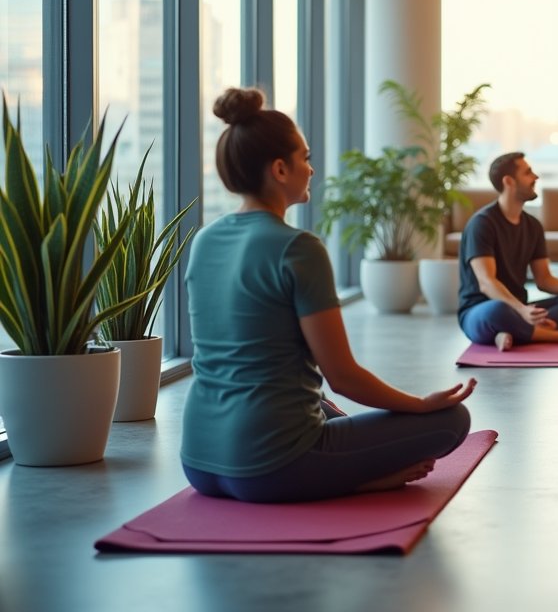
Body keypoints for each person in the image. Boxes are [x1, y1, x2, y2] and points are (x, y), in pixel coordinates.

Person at [181, 87, 475, 504]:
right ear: (280, 169)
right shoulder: (298, 248)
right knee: (451, 420)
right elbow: (343, 376)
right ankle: (360, 481)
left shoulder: (205, 240)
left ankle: (341, 465)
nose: (311, 168)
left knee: (317, 400)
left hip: (199, 461)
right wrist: (419, 405)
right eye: (305, 158)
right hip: (270, 468)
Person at [458, 152, 558, 352]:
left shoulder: (533, 226)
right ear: (509, 181)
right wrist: (521, 310)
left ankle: (511, 333)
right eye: (528, 173)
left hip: (519, 311)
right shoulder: (482, 224)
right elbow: (486, 283)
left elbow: (544, 280)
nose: (535, 177)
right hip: (481, 311)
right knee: (498, 311)